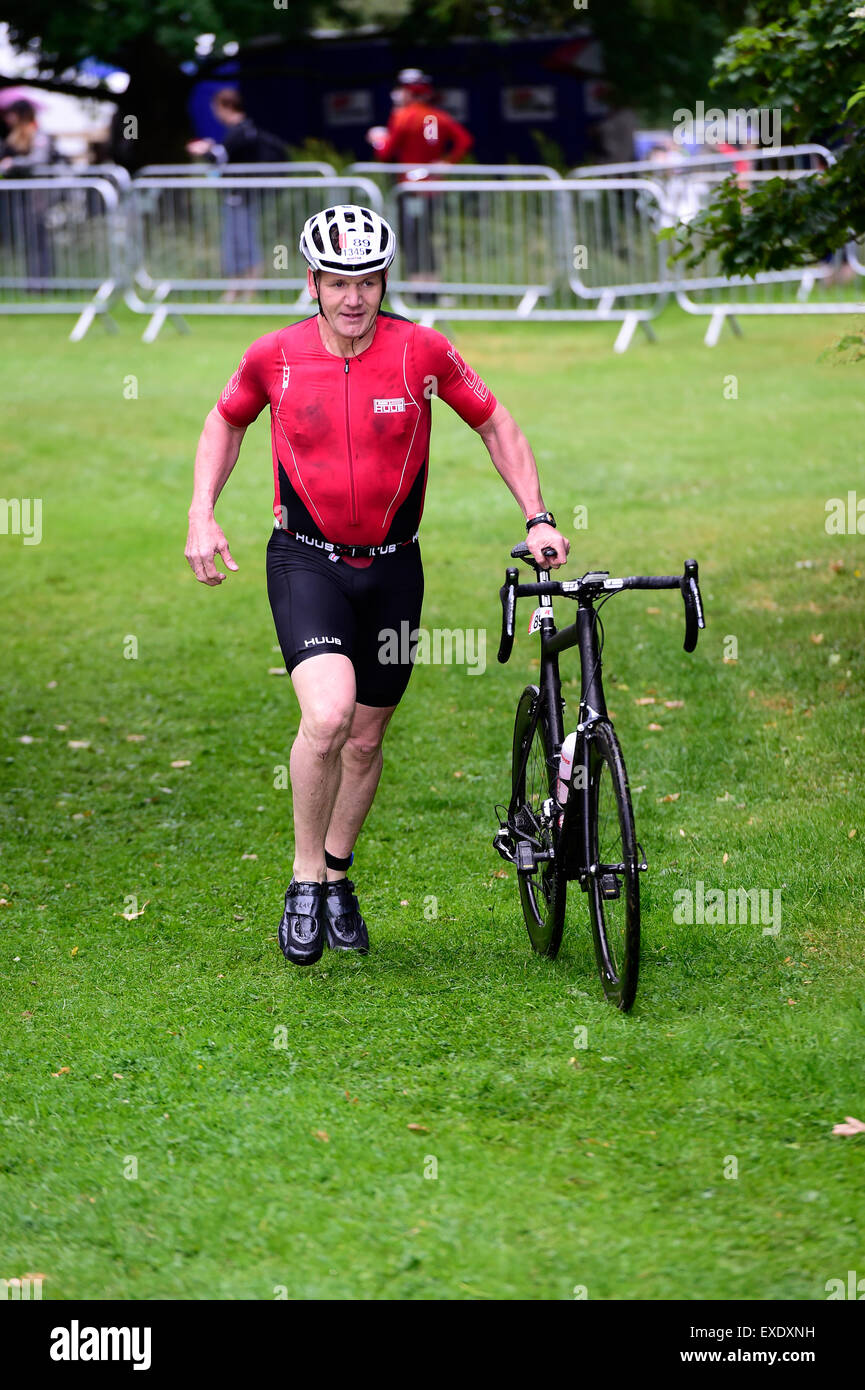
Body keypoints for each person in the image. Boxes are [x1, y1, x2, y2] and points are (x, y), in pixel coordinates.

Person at [185, 204, 568, 966]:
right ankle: (301, 880)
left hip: (395, 566)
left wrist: (537, 515)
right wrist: (202, 511)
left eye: (366, 281)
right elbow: (224, 422)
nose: (353, 298)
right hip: (305, 559)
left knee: (364, 738)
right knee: (325, 719)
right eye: (337, 282)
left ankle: (336, 874)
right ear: (313, 283)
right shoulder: (275, 356)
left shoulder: (422, 352)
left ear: (383, 281)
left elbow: (496, 424)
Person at [367, 70, 473, 298]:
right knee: (427, 237)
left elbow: (386, 153)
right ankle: (430, 288)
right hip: (432, 188)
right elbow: (464, 140)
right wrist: (446, 162)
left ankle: (422, 291)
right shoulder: (439, 116)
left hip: (411, 188)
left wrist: (377, 140)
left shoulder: (404, 116)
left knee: (413, 239)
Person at [186, 89, 286, 301]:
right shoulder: (242, 130)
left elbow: (221, 157)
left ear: (226, 107)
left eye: (216, 108)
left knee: (245, 243)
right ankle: (236, 290)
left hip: (243, 197)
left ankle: (249, 291)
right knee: (235, 243)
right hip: (238, 197)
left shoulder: (242, 131)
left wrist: (205, 150)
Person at [0, 99, 65, 283]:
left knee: (39, 239)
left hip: (38, 195)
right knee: (29, 239)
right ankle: (33, 280)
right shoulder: (14, 136)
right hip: (23, 197)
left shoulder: (38, 135)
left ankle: (43, 281)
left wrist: (13, 164)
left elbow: (39, 160)